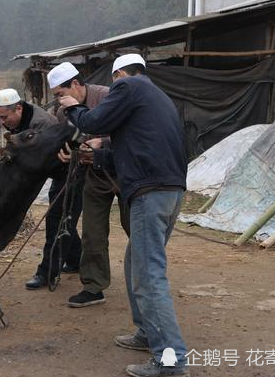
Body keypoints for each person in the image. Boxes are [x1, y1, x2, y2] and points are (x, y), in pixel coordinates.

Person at [58, 54, 189, 377]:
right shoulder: (158, 98)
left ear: (119, 73)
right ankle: (147, 331)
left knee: (148, 275)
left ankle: (170, 361)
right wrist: (97, 157)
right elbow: (135, 148)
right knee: (136, 263)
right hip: (170, 190)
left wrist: (71, 106)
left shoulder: (128, 86)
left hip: (150, 192)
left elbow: (92, 122)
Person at [47, 62, 124, 308]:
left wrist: (104, 140)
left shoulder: (108, 97)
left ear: (77, 85)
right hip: (95, 174)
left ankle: (145, 279)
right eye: (56, 96)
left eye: (61, 94)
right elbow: (71, 141)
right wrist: (70, 154)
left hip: (125, 172)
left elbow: (131, 130)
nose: (59, 100)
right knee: (93, 232)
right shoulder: (63, 113)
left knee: (136, 226)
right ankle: (93, 286)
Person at [0, 88, 82, 290]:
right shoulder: (16, 121)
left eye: (4, 117)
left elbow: (36, 165)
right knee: (64, 217)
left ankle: (47, 273)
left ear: (18, 108)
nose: (2, 123)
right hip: (54, 171)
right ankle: (76, 259)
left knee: (56, 219)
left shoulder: (41, 126)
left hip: (69, 171)